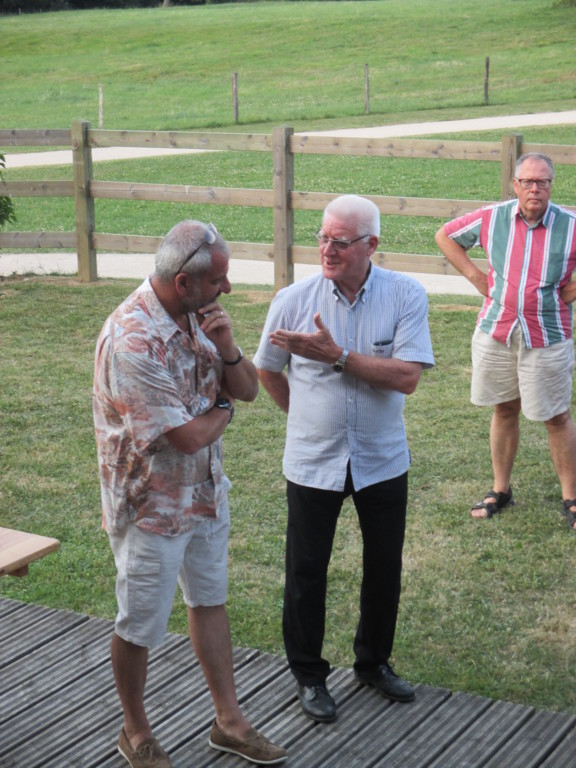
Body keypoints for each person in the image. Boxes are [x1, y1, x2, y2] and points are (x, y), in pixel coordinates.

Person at [93, 220, 287, 768]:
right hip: (150, 507)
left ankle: (229, 722)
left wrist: (227, 349)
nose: (227, 288)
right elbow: (186, 436)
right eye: (219, 280)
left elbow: (247, 390)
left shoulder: (201, 317)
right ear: (184, 282)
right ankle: (135, 731)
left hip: (204, 493)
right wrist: (222, 406)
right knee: (139, 623)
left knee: (210, 600)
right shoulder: (133, 339)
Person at [253, 194, 434, 723]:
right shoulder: (293, 299)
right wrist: (302, 417)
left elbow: (408, 377)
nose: (327, 250)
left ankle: (373, 664)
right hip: (313, 459)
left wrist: (336, 357)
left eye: (340, 241)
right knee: (306, 570)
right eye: (322, 238)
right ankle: (309, 675)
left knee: (384, 567)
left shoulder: (404, 294)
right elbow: (267, 367)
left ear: (371, 244)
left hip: (382, 458)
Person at [435, 153, 576, 531]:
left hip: (547, 334)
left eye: (542, 182)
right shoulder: (491, 218)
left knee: (557, 416)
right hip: (497, 331)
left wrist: (571, 291)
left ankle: (572, 497)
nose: (535, 189)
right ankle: (501, 489)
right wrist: (476, 278)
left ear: (551, 186)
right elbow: (445, 236)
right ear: (515, 185)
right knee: (504, 409)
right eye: (527, 181)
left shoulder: (570, 225)